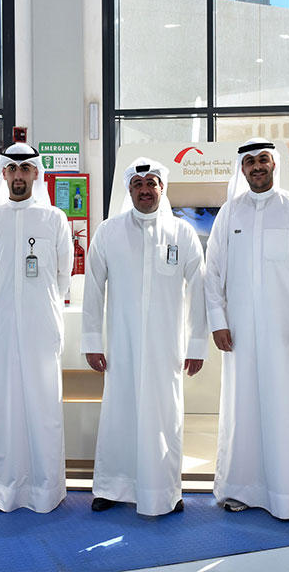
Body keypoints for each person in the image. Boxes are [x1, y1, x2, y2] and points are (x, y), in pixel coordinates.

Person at [205, 138, 289, 520]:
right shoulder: (230, 213)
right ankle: (240, 489)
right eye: (250, 162)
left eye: (263, 160)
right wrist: (218, 321)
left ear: (274, 165)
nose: (256, 167)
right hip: (239, 334)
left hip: (286, 335)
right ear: (242, 168)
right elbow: (213, 272)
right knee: (242, 410)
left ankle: (288, 495)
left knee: (285, 410)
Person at [81, 157, 207, 516]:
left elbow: (199, 290)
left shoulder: (182, 234)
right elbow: (93, 290)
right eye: (138, 185)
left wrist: (197, 344)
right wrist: (92, 341)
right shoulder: (108, 233)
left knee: (164, 418)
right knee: (119, 415)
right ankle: (111, 487)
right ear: (129, 190)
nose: (145, 190)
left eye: (151, 183)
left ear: (162, 188)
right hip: (121, 346)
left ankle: (166, 489)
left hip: (166, 348)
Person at [0, 143, 72, 513]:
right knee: (0, 405)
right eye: (12, 169)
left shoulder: (54, 218)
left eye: (25, 169)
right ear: (3, 174)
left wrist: (37, 306)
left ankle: (45, 489)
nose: (18, 176)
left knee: (43, 404)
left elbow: (63, 275)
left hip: (41, 325)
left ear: (35, 174)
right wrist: (2, 304)